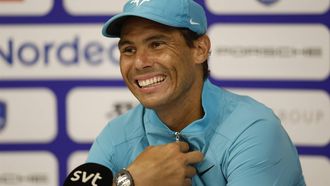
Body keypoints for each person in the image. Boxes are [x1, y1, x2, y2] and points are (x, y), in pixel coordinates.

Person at [87, 0, 306, 185]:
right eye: (129, 50)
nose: (140, 62)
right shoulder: (116, 136)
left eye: (157, 44)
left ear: (200, 50)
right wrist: (130, 181)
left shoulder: (253, 130)